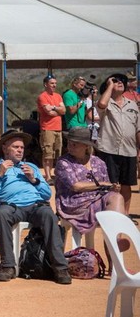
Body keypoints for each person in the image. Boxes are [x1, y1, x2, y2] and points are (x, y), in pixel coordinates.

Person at [0, 130, 71, 284]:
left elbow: (46, 194)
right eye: (15, 147)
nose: (20, 150)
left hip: (35, 206)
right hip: (11, 207)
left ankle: (60, 268)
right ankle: (8, 266)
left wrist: (33, 179)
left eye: (21, 148)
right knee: (1, 215)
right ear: (4, 148)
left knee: (49, 214)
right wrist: (0, 175)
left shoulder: (30, 167)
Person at [55, 127, 124, 273]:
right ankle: (116, 245)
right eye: (69, 143)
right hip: (74, 203)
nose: (70, 146)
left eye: (75, 144)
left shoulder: (98, 162)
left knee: (117, 197)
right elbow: (76, 186)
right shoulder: (64, 162)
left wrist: (112, 188)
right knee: (112, 214)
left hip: (97, 201)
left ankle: (115, 251)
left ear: (86, 146)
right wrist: (103, 185)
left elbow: (107, 188)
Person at [95, 73, 140, 216]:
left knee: (127, 185)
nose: (120, 82)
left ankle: (124, 215)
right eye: (115, 81)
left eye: (122, 81)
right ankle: (110, 213)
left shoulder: (132, 104)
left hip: (129, 150)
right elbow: (101, 105)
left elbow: (138, 128)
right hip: (109, 149)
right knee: (110, 184)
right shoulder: (106, 101)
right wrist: (109, 86)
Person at [36, 74, 66, 182]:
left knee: (57, 152)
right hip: (47, 128)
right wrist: (58, 110)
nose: (54, 85)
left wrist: (54, 107)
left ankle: (56, 175)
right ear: (45, 84)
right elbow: (49, 112)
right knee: (48, 153)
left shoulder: (58, 96)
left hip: (58, 128)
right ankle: (48, 176)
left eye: (55, 83)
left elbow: (63, 111)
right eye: (52, 83)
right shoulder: (42, 96)